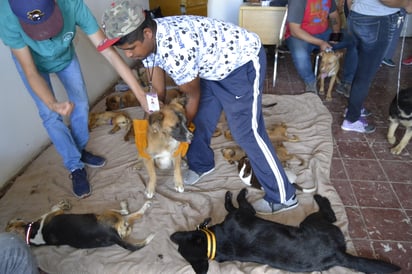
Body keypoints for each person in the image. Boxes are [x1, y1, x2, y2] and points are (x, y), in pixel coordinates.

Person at [98, 0, 298, 214]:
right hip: (211, 67)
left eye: (130, 49)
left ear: (146, 33)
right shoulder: (148, 44)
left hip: (241, 64)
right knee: (203, 118)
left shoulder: (176, 49)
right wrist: (156, 114)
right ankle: (202, 164)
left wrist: (177, 133)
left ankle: (283, 196)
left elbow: (191, 96)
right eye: (124, 51)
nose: (129, 55)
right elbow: (157, 87)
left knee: (246, 132)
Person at [0, 0, 149, 198]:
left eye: (48, 26)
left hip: (65, 56)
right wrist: (53, 103)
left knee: (81, 103)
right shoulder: (6, 16)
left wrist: (140, 94)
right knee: (49, 115)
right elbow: (30, 71)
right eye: (38, 30)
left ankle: (78, 150)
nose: (47, 36)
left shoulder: (72, 4)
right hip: (33, 66)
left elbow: (109, 53)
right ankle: (74, 166)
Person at [341, 0, 412, 133]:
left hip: (358, 14)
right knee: (365, 75)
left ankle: (353, 108)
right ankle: (351, 120)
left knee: (361, 68)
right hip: (375, 21)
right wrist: (407, 4)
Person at [285, 0, 358, 96]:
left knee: (356, 40)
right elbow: (294, 30)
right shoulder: (298, 1)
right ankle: (310, 82)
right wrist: (320, 43)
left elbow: (334, 15)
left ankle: (347, 82)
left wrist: (336, 33)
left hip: (324, 33)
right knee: (300, 55)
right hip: (300, 36)